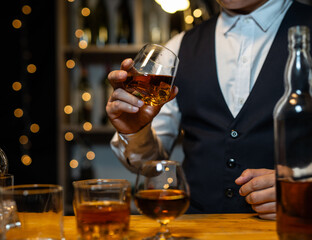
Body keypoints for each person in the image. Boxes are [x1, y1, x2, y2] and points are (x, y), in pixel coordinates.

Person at [106, 0, 312, 220]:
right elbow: (149, 165)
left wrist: (304, 191)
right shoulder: (180, 46)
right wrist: (137, 130)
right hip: (196, 229)